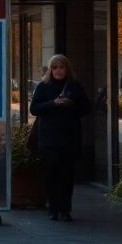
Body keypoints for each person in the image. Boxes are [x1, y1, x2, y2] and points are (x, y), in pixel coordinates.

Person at [30, 53, 91, 222]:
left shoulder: (75, 86)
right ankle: (53, 208)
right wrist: (53, 103)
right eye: (54, 67)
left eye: (61, 67)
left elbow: (87, 108)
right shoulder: (43, 86)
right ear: (50, 70)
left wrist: (71, 105)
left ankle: (65, 209)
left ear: (67, 69)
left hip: (69, 138)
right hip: (49, 138)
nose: (58, 71)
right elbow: (34, 109)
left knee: (67, 174)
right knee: (51, 173)